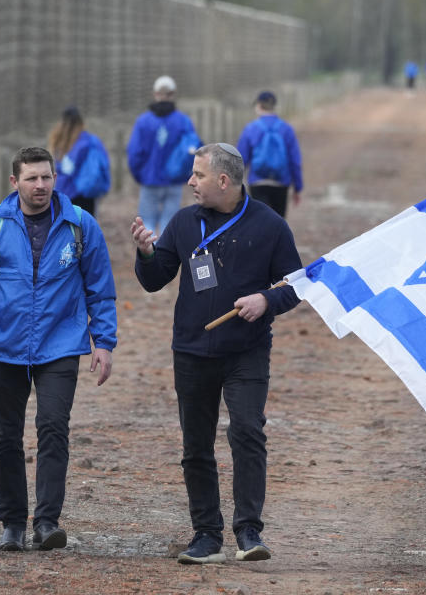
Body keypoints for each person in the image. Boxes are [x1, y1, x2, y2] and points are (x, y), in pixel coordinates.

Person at [130, 143, 302, 565]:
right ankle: (206, 534)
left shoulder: (270, 226)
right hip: (191, 350)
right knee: (195, 447)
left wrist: (265, 299)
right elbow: (155, 280)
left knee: (246, 432)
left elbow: (294, 285)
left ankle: (248, 531)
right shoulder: (185, 222)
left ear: (223, 181)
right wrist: (147, 253)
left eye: (198, 175)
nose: (190, 182)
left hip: (247, 351)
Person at [0, 146, 117, 552]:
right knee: (6, 435)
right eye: (31, 178)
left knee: (53, 427)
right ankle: (12, 522)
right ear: (15, 183)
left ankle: (46, 522)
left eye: (46, 177)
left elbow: (100, 288)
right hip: (4, 346)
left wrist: (104, 342)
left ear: (55, 179)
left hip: (60, 345)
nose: (40, 185)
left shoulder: (80, 225)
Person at [127, 75, 201, 236]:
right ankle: (164, 256)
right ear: (173, 94)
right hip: (174, 180)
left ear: (155, 94)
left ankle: (149, 256)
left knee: (147, 223)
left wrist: (139, 175)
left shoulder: (143, 122)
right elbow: (194, 148)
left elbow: (134, 153)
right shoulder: (183, 121)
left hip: (150, 180)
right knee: (169, 222)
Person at [236, 91, 303, 218]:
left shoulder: (251, 128)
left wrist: (234, 185)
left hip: (258, 181)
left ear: (259, 106)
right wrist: (297, 187)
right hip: (281, 182)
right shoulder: (286, 129)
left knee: (260, 220)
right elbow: (295, 161)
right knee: (278, 222)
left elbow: (240, 159)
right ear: (274, 106)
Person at [47, 105, 111, 216]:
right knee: (86, 228)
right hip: (86, 193)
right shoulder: (90, 141)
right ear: (80, 121)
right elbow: (103, 164)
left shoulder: (58, 142)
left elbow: (58, 167)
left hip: (64, 193)